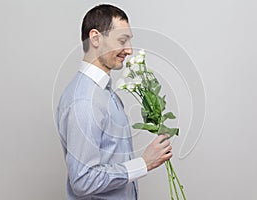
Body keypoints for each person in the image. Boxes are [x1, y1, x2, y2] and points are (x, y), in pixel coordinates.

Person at [56, 4, 172, 200]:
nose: (129, 50)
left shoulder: (105, 93)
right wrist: (143, 164)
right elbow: (82, 180)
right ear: (95, 38)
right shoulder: (84, 100)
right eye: (121, 40)